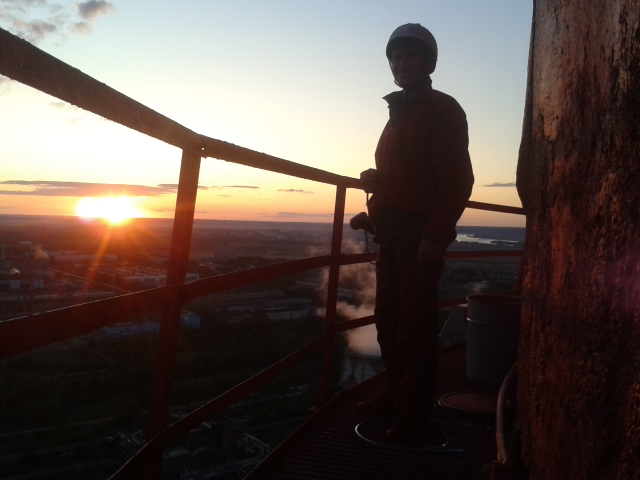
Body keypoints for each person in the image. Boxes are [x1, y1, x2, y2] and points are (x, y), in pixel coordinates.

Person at [356, 23, 474, 442]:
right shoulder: (398, 114)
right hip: (392, 234)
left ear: (428, 64)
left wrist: (435, 236)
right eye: (396, 57)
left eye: (410, 56)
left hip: (417, 235)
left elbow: (456, 179)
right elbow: (405, 176)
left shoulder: (442, 109)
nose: (402, 63)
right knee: (388, 321)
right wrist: (376, 181)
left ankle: (414, 419)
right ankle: (395, 396)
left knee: (414, 327)